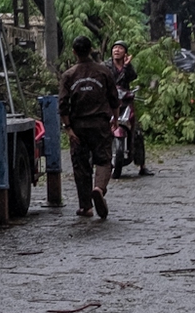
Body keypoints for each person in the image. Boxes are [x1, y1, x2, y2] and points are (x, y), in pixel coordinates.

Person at [58, 36, 121, 219]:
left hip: (78, 126)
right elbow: (114, 99)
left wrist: (69, 129)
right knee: (103, 160)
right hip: (100, 124)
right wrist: (115, 120)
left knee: (81, 165)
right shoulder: (103, 72)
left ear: (74, 52)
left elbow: (63, 104)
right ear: (91, 49)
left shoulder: (69, 75)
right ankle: (99, 188)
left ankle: (86, 207)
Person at [110, 40, 149, 176]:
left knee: (137, 133)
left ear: (125, 52)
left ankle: (142, 165)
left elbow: (133, 77)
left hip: (125, 102)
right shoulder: (106, 66)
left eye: (120, 48)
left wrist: (127, 66)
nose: (117, 50)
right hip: (109, 103)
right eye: (115, 48)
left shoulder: (127, 66)